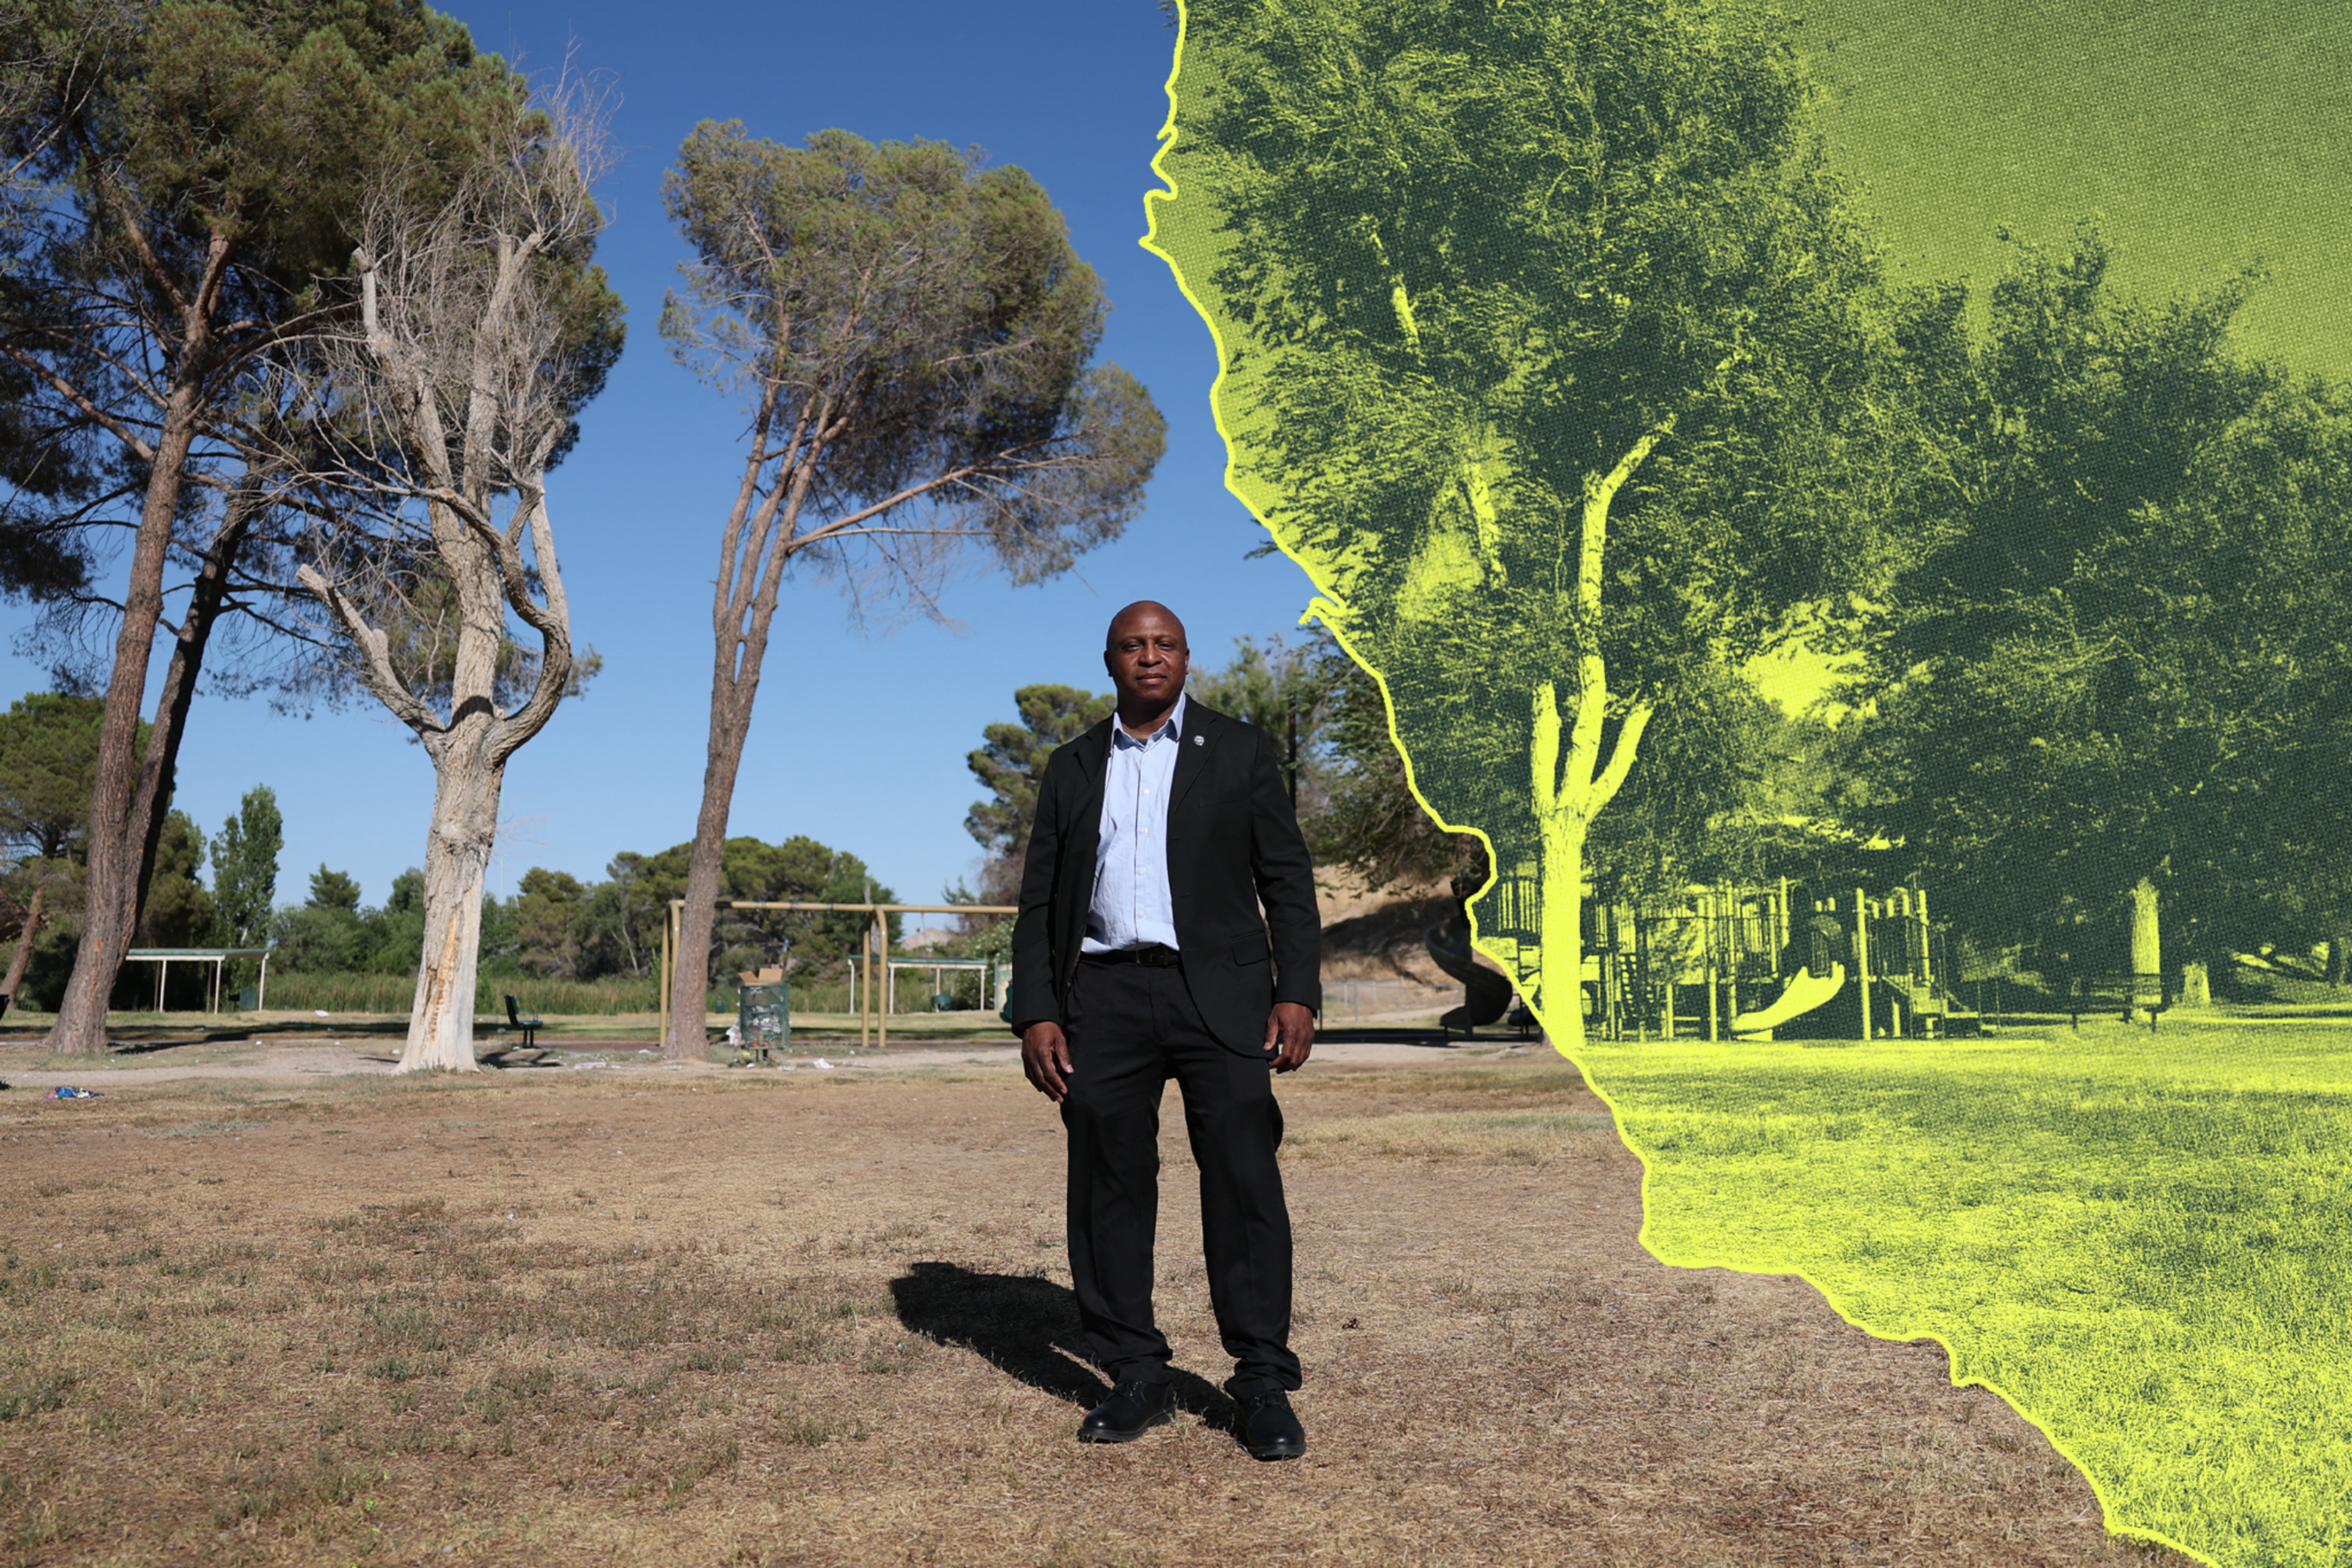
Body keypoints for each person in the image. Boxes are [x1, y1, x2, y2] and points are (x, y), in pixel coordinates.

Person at [1006, 600, 1322, 1461]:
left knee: (1243, 1179)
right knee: (1107, 1183)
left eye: (1166, 644)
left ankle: (1262, 1382)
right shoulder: (1073, 766)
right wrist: (1038, 1010)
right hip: (1103, 996)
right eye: (1133, 646)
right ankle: (1134, 1373)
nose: (1150, 657)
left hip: (1221, 995)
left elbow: (1287, 879)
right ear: (1109, 661)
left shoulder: (1240, 749)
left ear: (1186, 658)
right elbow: (1039, 903)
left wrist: (1296, 992)